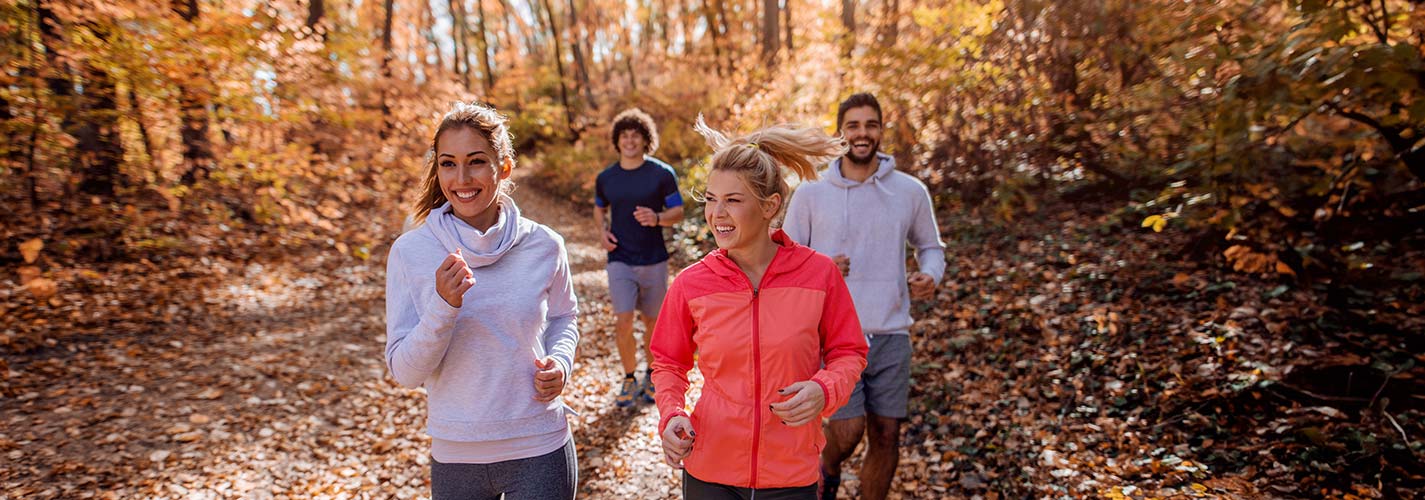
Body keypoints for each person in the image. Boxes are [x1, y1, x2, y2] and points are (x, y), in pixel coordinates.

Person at [651, 116, 869, 500]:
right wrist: (671, 414)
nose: (717, 214)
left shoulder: (819, 275)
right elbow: (668, 362)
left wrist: (825, 390)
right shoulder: (691, 283)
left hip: (791, 474)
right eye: (711, 199)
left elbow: (848, 352)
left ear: (770, 206)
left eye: (733, 201)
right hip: (709, 469)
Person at [385, 101, 580, 500]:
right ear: (436, 169)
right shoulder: (411, 252)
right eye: (448, 164)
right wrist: (443, 306)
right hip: (458, 454)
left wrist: (561, 363)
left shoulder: (545, 245)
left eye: (476, 162)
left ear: (503, 167)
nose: (461, 178)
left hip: (539, 444)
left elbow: (565, 316)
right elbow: (405, 372)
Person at [783, 93, 946, 500]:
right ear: (841, 132)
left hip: (892, 332)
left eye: (870, 124)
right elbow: (784, 257)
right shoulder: (810, 190)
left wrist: (930, 274)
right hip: (834, 334)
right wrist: (818, 267)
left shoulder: (909, 191)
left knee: (887, 435)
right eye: (853, 125)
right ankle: (827, 466)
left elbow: (931, 246)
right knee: (847, 430)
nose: (862, 133)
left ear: (880, 131)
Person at [593, 108, 685, 407]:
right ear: (617, 141)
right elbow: (599, 207)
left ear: (646, 140)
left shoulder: (662, 174)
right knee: (623, 320)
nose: (630, 141)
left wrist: (657, 217)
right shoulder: (606, 177)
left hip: (654, 259)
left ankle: (651, 373)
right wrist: (602, 232)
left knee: (652, 322)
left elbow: (678, 213)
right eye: (625, 136)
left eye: (636, 136)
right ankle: (629, 377)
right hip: (620, 258)